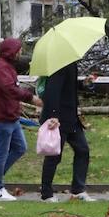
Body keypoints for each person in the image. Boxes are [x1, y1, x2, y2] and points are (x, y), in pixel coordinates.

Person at [0, 37, 41, 201]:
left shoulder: (8, 67)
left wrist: (17, 106)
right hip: (0, 117)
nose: (20, 52)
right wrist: (31, 98)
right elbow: (10, 89)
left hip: (11, 116)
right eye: (19, 49)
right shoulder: (1, 67)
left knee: (20, 148)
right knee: (1, 153)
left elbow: (12, 89)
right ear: (12, 51)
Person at [39, 60, 92, 202]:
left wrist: (83, 84)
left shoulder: (71, 63)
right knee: (54, 155)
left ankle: (78, 190)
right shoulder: (59, 64)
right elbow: (52, 91)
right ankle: (46, 193)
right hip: (59, 118)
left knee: (83, 150)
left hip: (72, 117)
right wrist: (53, 115)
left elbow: (69, 88)